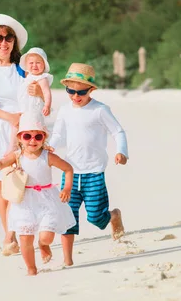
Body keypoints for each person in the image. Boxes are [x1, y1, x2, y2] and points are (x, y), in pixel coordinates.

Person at [0, 13, 43, 256]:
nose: (4, 42)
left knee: (27, 182)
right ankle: (9, 236)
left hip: (24, 129)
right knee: (5, 186)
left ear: (14, 41)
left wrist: (38, 93)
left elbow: (38, 98)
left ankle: (27, 230)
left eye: (8, 37)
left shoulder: (23, 66)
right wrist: (8, 118)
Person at [49, 63, 129, 267]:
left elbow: (118, 132)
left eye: (81, 92)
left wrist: (122, 152)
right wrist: (50, 147)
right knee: (68, 217)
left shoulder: (100, 110)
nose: (75, 96)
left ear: (91, 90)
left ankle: (113, 216)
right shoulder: (65, 110)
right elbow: (58, 134)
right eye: (71, 91)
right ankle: (68, 260)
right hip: (70, 173)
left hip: (94, 172)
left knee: (95, 217)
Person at [0, 113, 76, 275]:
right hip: (24, 201)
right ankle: (31, 268)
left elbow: (68, 169)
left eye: (38, 137)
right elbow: (3, 162)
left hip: (47, 199)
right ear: (20, 138)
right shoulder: (17, 156)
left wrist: (67, 188)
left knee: (46, 236)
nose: (32, 140)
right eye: (27, 136)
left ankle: (43, 245)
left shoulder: (48, 156)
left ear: (44, 138)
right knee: (25, 238)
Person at [5, 47, 53, 155]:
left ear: (44, 65)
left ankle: (39, 148)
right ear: (26, 66)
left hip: (33, 109)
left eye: (38, 63)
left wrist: (47, 106)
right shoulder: (28, 77)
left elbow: (46, 93)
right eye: (31, 63)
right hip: (25, 109)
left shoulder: (42, 78)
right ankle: (14, 147)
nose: (34, 65)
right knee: (17, 126)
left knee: (34, 130)